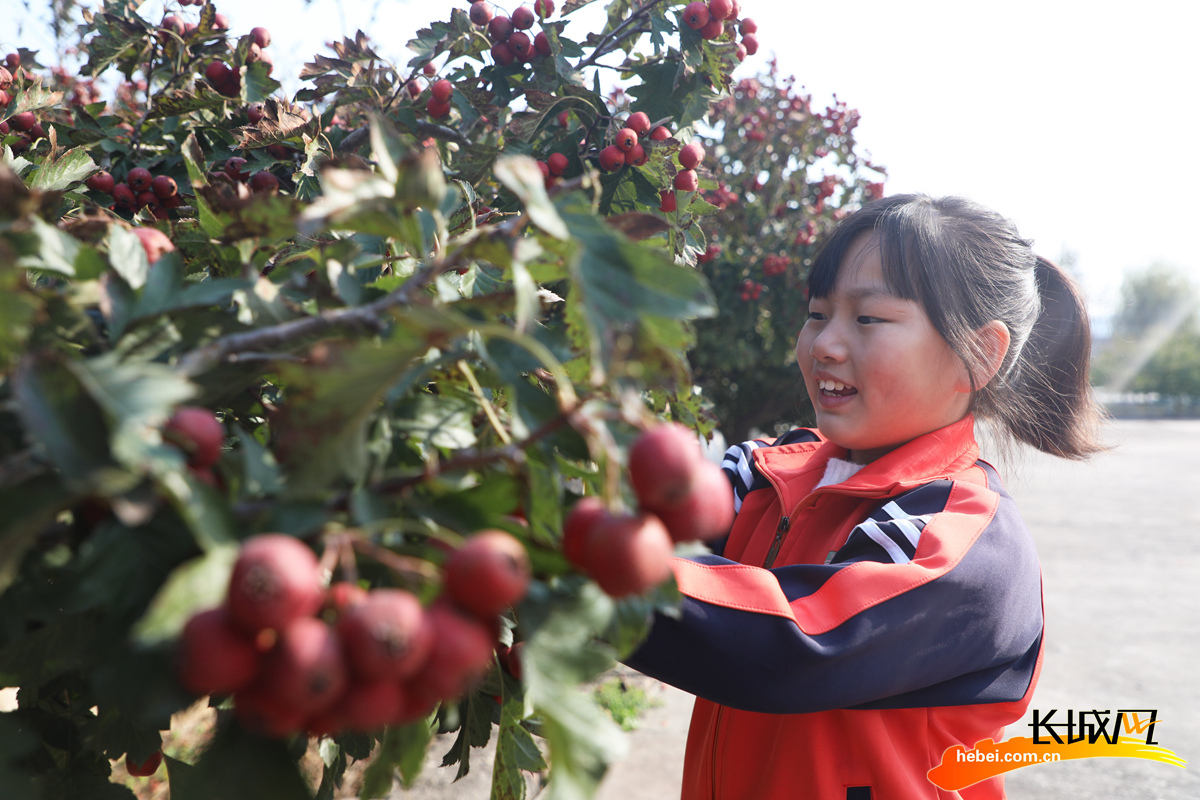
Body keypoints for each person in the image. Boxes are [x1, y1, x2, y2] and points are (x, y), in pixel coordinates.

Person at [626, 194, 1105, 800]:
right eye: (817, 313)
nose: (824, 343)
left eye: (868, 319)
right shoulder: (763, 474)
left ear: (980, 354)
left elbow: (792, 644)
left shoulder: (960, 537)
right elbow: (646, 529)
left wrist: (580, 557)